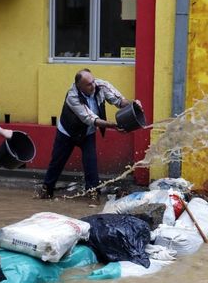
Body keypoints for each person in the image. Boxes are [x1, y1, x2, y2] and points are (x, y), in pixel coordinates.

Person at [41, 69, 141, 203]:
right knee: (57, 163)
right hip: (67, 133)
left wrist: (133, 104)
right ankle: (46, 190)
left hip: (88, 133)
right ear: (79, 86)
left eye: (93, 81)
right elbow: (91, 119)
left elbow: (119, 101)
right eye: (88, 84)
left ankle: (93, 193)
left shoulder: (101, 86)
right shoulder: (72, 97)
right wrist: (113, 125)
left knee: (91, 163)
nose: (93, 85)